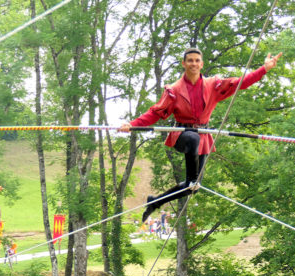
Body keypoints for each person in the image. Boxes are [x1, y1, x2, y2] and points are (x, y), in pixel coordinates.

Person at [119, 48, 282, 222]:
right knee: (192, 141)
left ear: (202, 64)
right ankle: (190, 179)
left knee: (193, 188)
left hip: (203, 135)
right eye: (190, 60)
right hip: (182, 135)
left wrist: (264, 69)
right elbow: (155, 113)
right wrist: (132, 125)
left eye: (197, 60)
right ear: (184, 64)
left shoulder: (214, 85)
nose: (194, 64)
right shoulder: (174, 90)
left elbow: (240, 82)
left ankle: (155, 202)